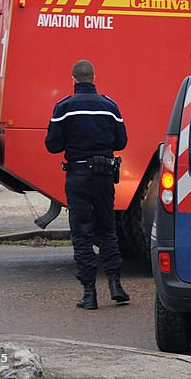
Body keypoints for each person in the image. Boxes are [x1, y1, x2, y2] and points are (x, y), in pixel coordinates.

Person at [44, 60, 130, 310]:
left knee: (81, 233)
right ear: (93, 77)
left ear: (73, 79)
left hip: (78, 175)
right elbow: (121, 141)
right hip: (104, 175)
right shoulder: (110, 106)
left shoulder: (64, 107)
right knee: (107, 229)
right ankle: (116, 284)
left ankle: (89, 294)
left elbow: (52, 145)